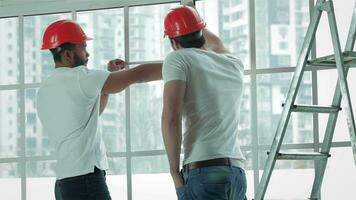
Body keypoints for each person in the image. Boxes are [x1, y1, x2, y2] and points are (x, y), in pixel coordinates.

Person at [36, 19, 162, 200]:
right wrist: (178, 66)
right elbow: (137, 75)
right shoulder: (81, 77)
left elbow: (90, 113)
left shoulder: (44, 90)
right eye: (83, 48)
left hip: (64, 184)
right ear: (68, 55)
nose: (87, 54)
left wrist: (109, 75)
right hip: (86, 180)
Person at [161, 5, 247, 200]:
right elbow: (216, 43)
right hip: (237, 173)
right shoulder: (233, 63)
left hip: (204, 171)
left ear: (173, 42)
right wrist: (191, 13)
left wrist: (174, 172)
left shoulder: (177, 59)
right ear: (200, 31)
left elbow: (171, 117)